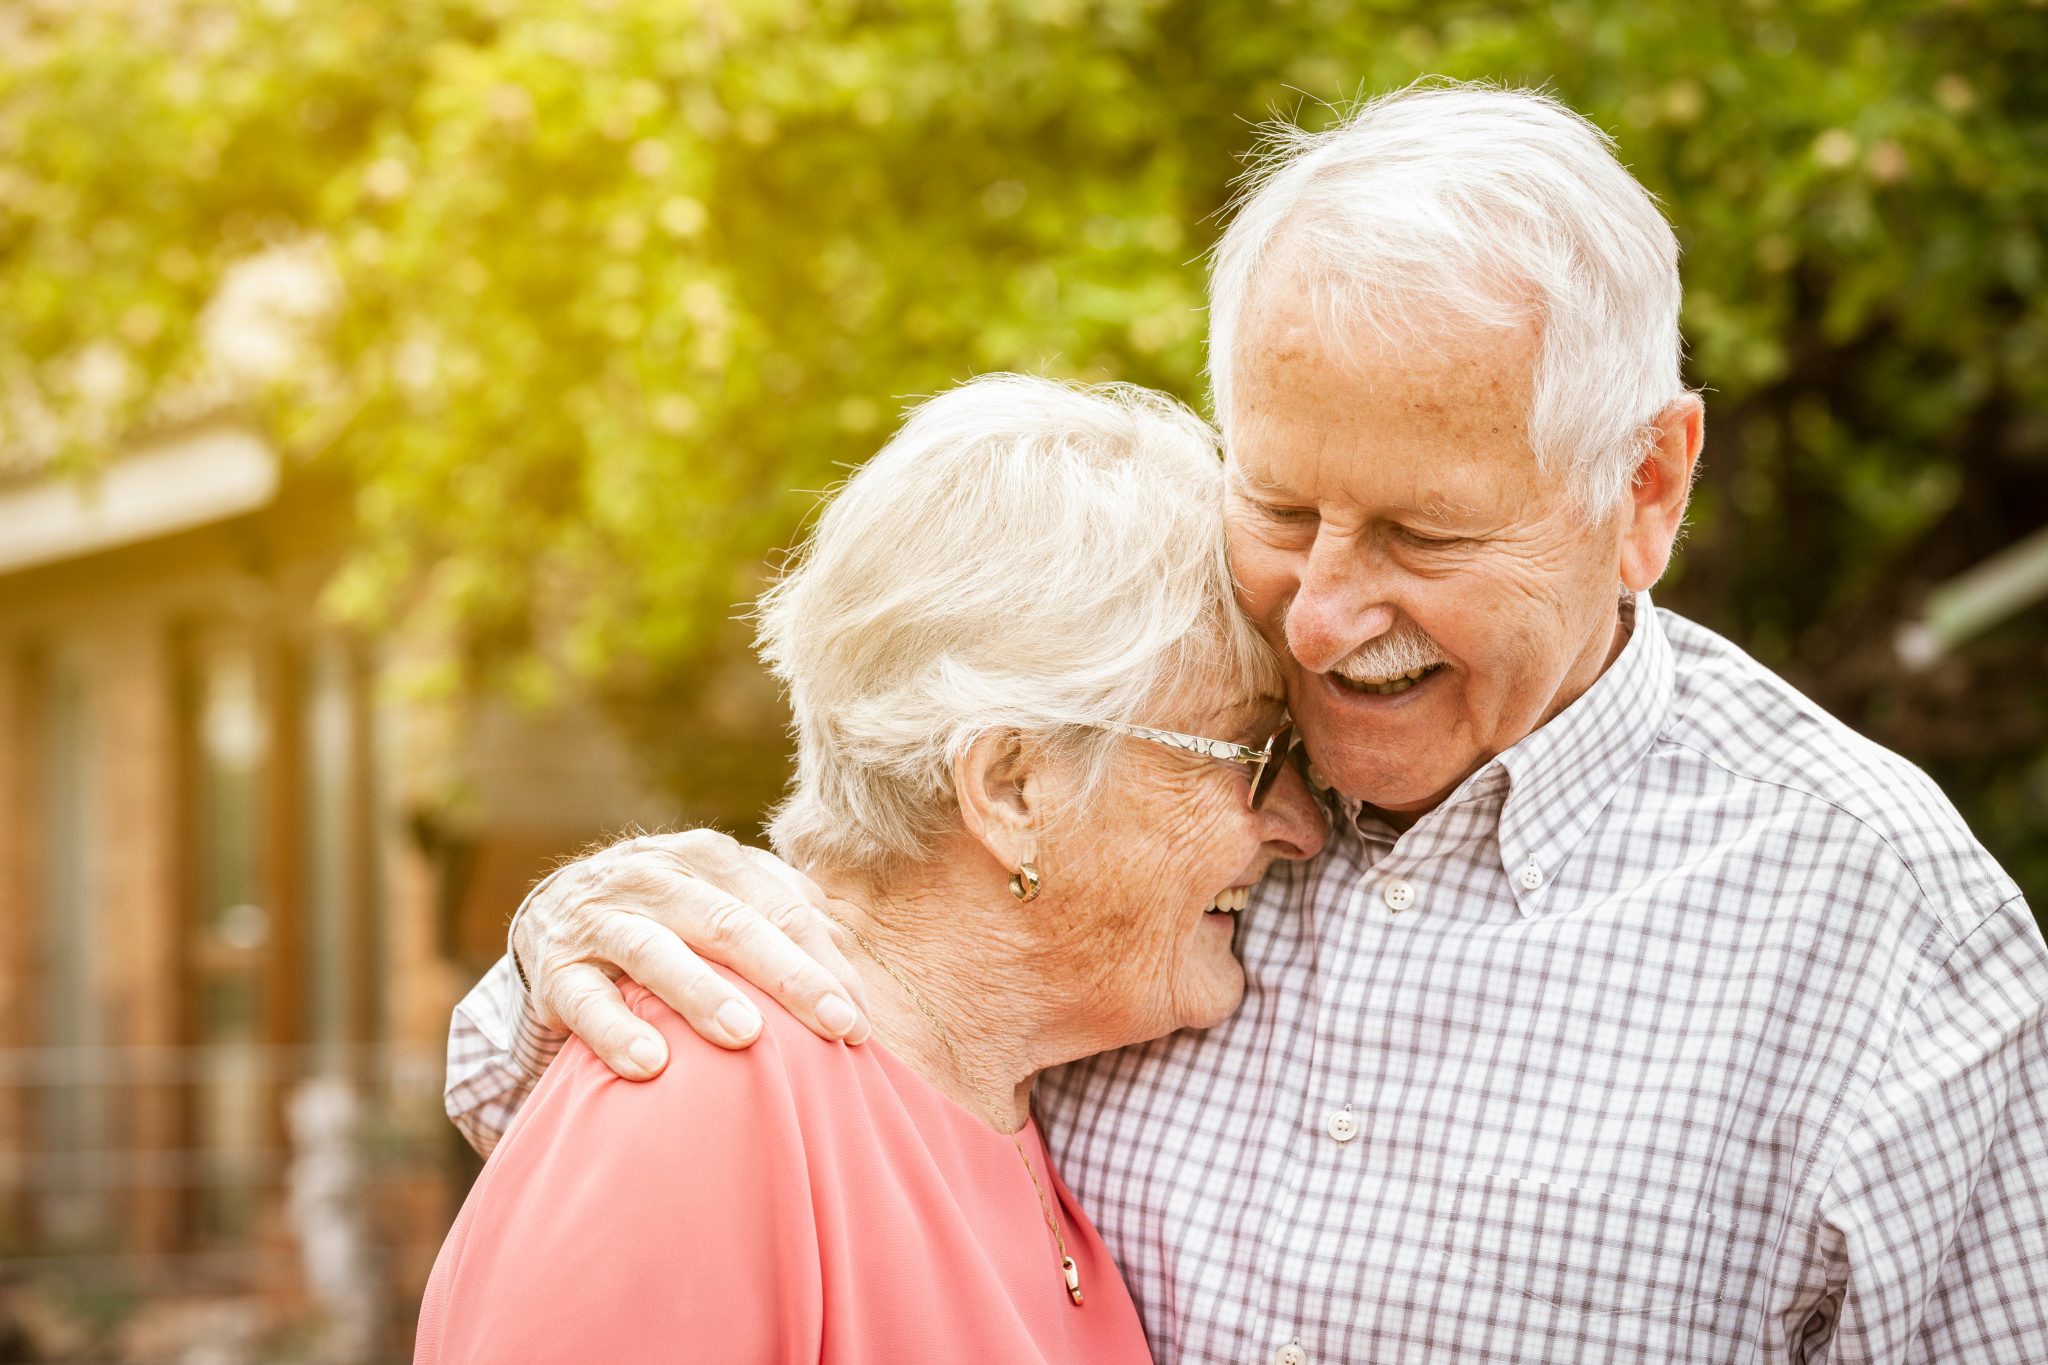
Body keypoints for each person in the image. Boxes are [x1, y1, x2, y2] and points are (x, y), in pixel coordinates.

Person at [446, 83, 2048, 1362]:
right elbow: (834, 980)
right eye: (1280, 504)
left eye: (1423, 537)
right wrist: (556, 952)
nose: (1324, 617)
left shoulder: (1888, 934)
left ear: (1645, 488)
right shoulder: (1144, 741)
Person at [415, 375, 1326, 1362]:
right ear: (1012, 786)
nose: (1298, 825)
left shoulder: (1020, 1109)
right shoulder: (708, 1089)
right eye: (1252, 753)